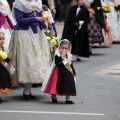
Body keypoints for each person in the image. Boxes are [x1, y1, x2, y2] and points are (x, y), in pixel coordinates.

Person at [8, 0, 51, 101]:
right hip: (24, 34)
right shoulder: (19, 2)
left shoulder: (38, 2)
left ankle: (28, 91)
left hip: (37, 35)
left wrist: (44, 21)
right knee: (28, 62)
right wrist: (35, 18)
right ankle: (26, 91)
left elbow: (40, 19)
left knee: (36, 62)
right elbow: (19, 20)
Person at [41, 39, 76, 104]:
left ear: (68, 49)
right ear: (59, 48)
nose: (64, 50)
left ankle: (67, 99)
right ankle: (54, 97)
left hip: (67, 73)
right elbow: (56, 62)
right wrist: (61, 57)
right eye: (62, 48)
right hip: (58, 72)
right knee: (55, 84)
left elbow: (70, 65)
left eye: (66, 48)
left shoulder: (69, 56)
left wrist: (73, 72)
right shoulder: (57, 55)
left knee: (68, 85)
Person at [0, 32, 14, 104]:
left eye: (3, 39)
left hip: (1, 66)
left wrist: (10, 61)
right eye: (0, 39)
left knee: (3, 79)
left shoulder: (2, 48)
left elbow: (4, 57)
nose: (2, 40)